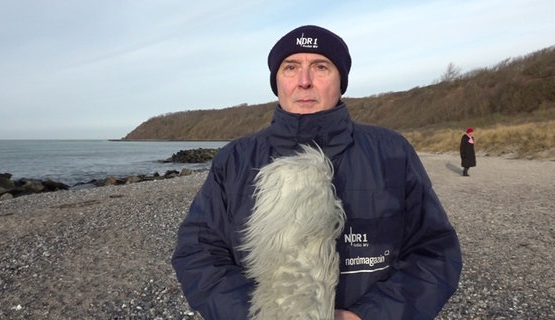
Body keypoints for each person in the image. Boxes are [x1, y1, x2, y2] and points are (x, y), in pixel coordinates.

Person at [172, 25, 462, 320]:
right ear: (277, 81)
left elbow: (435, 251)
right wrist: (259, 315)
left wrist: (369, 315)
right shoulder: (234, 159)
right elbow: (198, 253)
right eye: (290, 67)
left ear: (341, 81)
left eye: (320, 67)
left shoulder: (391, 152)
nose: (304, 81)